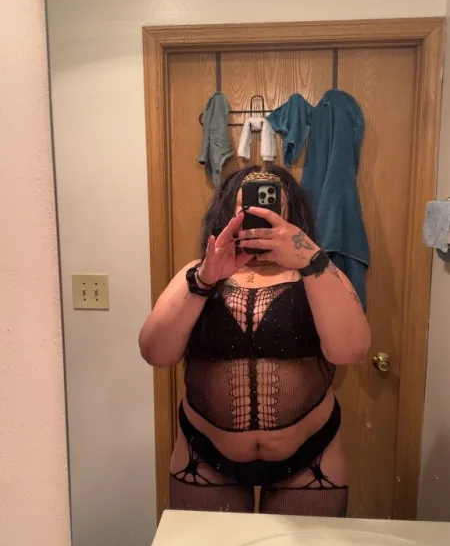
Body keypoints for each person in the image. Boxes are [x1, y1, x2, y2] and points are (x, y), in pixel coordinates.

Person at [139, 165, 371, 516]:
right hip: (203, 457)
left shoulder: (319, 273)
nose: (259, 212)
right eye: (246, 203)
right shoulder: (197, 273)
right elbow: (154, 352)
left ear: (290, 213)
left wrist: (310, 260)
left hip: (311, 459)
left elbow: (350, 351)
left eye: (273, 202)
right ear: (228, 212)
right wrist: (203, 281)